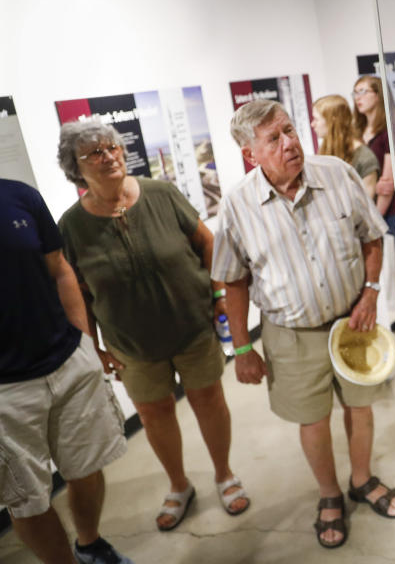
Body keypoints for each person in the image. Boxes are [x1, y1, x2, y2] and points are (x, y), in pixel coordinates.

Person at [212, 100, 395, 550]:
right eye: (273, 139)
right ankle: (329, 494)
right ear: (251, 155)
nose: (289, 143)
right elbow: (234, 281)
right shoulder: (238, 206)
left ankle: (362, 479)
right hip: (290, 335)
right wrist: (242, 349)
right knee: (312, 418)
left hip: (353, 321)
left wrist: (372, 291)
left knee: (360, 406)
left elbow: (372, 236)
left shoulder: (336, 174)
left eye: (290, 130)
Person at [57, 121, 249, 532]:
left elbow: (207, 242)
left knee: (209, 400)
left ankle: (224, 473)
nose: (109, 156)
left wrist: (218, 296)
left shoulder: (161, 194)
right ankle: (179, 485)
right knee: (154, 413)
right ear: (75, 169)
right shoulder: (71, 226)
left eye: (112, 147)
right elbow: (78, 292)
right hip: (131, 344)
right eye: (94, 153)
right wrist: (93, 346)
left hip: (193, 328)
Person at [1, 177, 132, 564]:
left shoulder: (19, 196)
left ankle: (90, 543)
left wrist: (86, 345)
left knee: (87, 466)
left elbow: (59, 270)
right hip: (6, 392)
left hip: (67, 363)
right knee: (26, 498)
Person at [353, 75, 395, 345]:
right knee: (385, 271)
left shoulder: (393, 126)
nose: (358, 97)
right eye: (355, 92)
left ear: (378, 94)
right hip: (375, 212)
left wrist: (373, 220)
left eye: (363, 91)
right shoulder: (359, 131)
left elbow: (389, 182)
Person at [313, 94, 380, 200]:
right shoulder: (325, 150)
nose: (313, 124)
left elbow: (366, 207)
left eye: (316, 119)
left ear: (332, 121)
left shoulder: (365, 158)